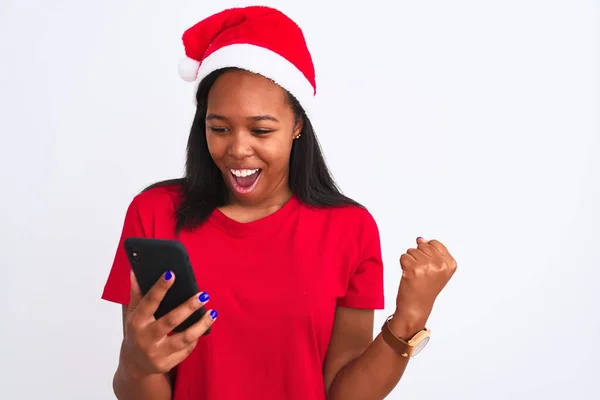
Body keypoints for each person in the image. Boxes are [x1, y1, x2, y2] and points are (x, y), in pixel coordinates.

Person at [101, 5, 457, 400]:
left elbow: (345, 395)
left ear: (297, 126)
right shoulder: (154, 214)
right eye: (218, 128)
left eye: (260, 129)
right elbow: (137, 388)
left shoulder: (348, 229)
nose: (237, 149)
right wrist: (137, 362)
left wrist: (410, 318)